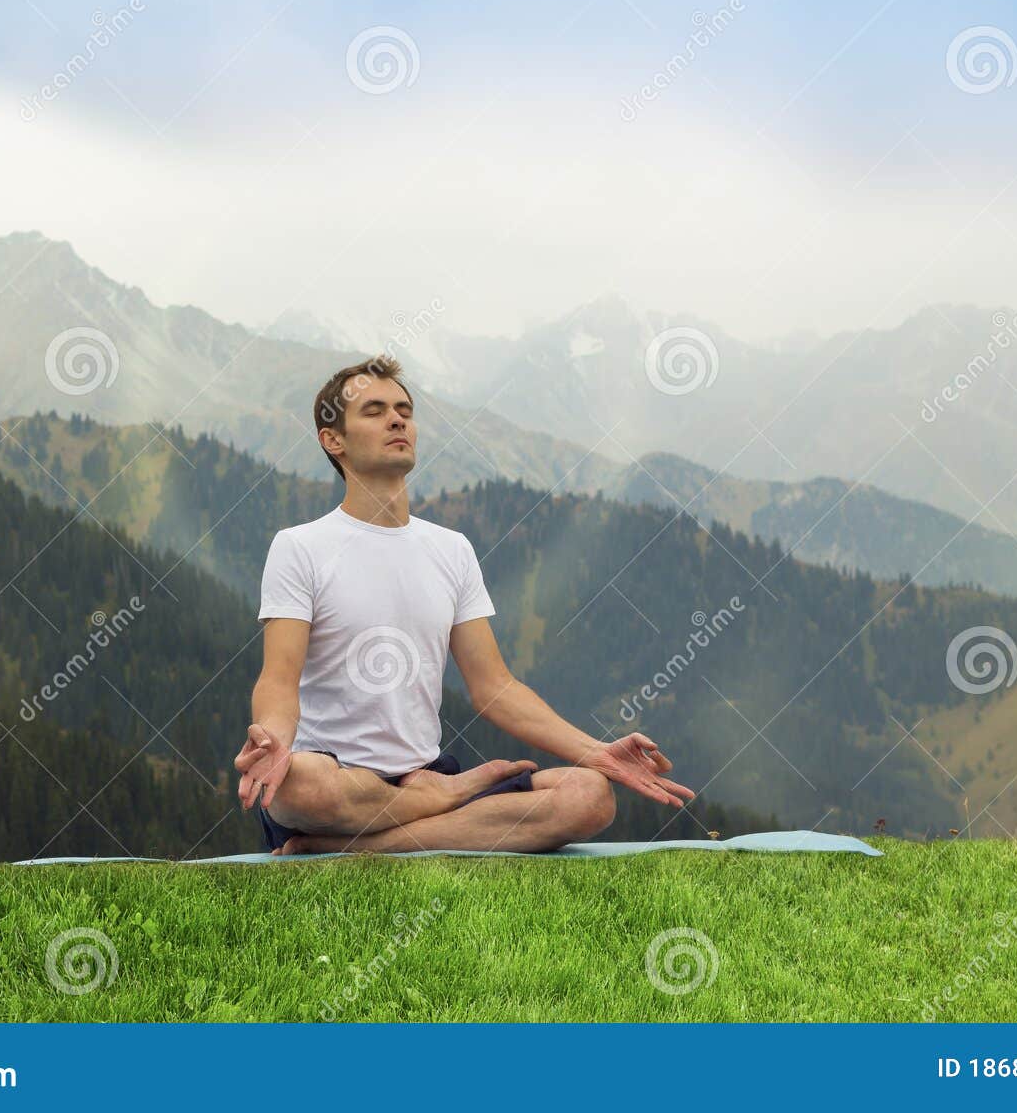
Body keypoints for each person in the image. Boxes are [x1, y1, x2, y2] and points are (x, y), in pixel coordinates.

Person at [234, 354, 695, 854]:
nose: (397, 420)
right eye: (374, 411)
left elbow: (495, 688)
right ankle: (440, 803)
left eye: (404, 410)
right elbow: (278, 681)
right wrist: (274, 742)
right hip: (338, 780)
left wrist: (599, 754)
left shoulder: (451, 549)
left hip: (420, 775)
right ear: (333, 440)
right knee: (301, 788)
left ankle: (348, 849)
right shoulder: (300, 546)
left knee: (589, 796)